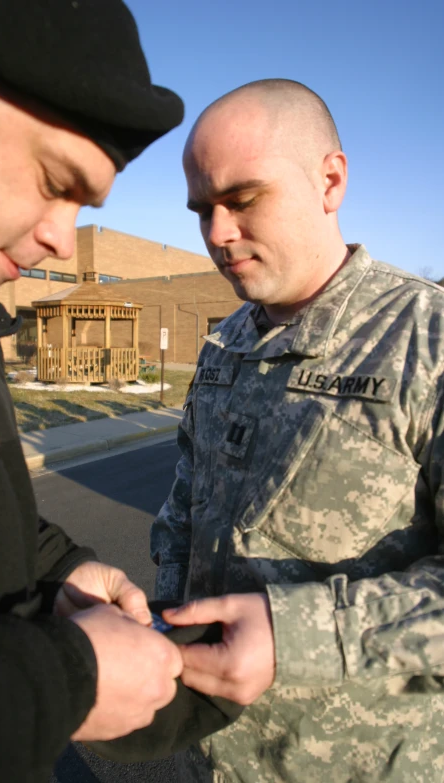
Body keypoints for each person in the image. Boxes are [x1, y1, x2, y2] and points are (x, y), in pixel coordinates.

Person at [151, 78, 444, 782]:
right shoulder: (225, 345)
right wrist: (160, 620)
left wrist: (295, 635)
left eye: (244, 200)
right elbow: (184, 511)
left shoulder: (426, 341)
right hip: (213, 756)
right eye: (203, 211)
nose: (218, 233)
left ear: (330, 180)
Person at [0, 1, 185, 781]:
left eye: (83, 207)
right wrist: (66, 678)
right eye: (50, 178)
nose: (60, 242)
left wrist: (54, 570)